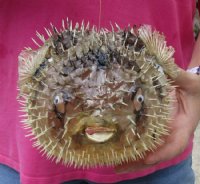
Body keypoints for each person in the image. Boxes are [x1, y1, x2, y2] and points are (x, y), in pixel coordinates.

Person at [0, 0, 200, 183]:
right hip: (15, 154)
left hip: (165, 146)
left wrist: (197, 73)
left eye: (137, 100)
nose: (99, 119)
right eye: (62, 103)